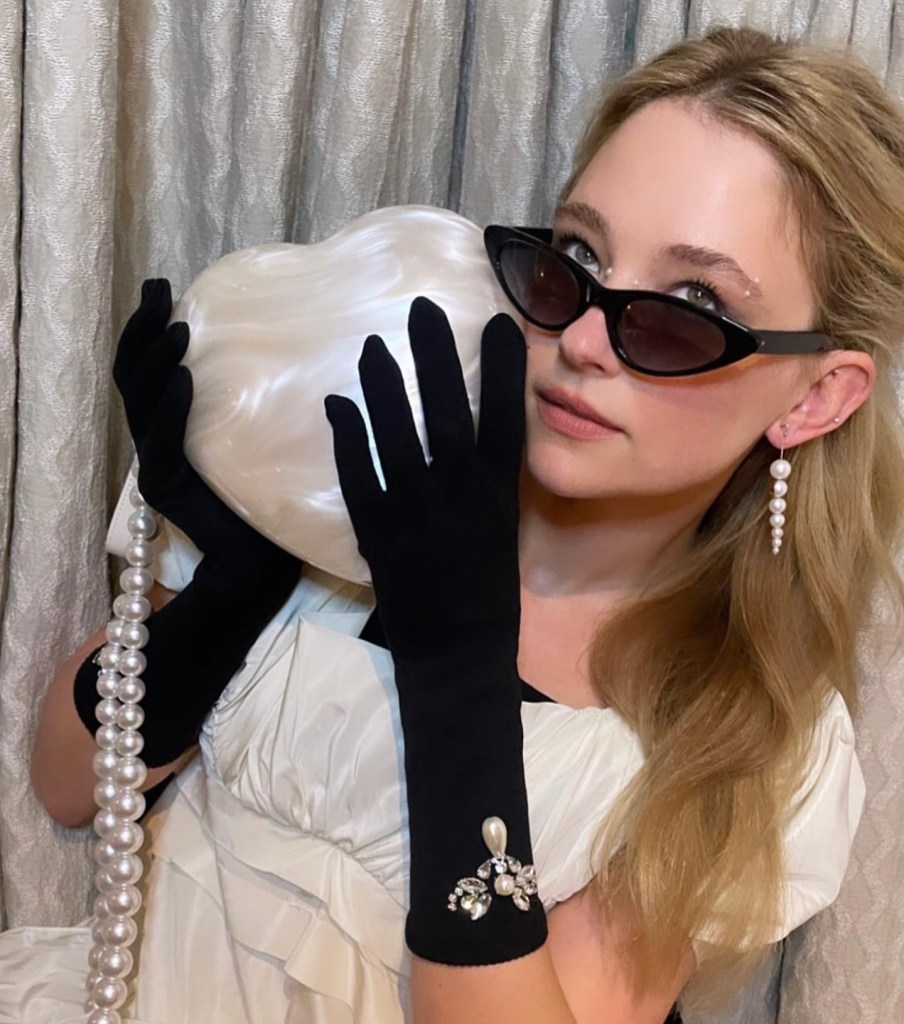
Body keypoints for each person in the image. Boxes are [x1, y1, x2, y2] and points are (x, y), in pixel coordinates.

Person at [10, 24, 904, 1024]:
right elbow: (67, 784)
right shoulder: (374, 471)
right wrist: (239, 574)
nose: (582, 338)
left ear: (815, 396)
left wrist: (458, 667)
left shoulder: (749, 737)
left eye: (690, 302)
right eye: (578, 255)